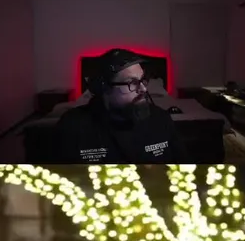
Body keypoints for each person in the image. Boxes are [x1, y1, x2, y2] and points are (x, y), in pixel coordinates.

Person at [53, 48, 188, 163]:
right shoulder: (73, 126)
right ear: (105, 88)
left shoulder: (161, 120)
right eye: (132, 83)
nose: (143, 89)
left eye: (143, 80)